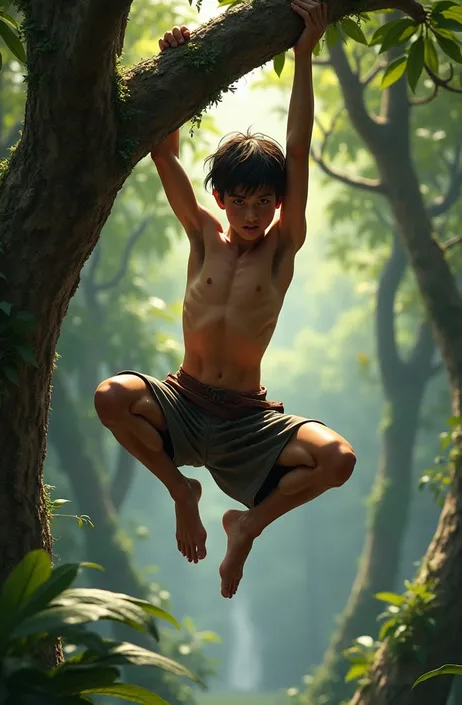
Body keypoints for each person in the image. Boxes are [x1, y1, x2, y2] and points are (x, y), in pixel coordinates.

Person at [94, 0, 356, 599]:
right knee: (110, 396)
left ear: (279, 203)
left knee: (338, 460)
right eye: (238, 201)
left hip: (246, 422)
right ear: (220, 198)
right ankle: (180, 490)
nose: (250, 214)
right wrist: (178, 61)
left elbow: (298, 139)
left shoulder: (282, 249)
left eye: (263, 202)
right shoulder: (201, 235)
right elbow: (163, 152)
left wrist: (305, 54)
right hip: (181, 401)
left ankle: (246, 527)